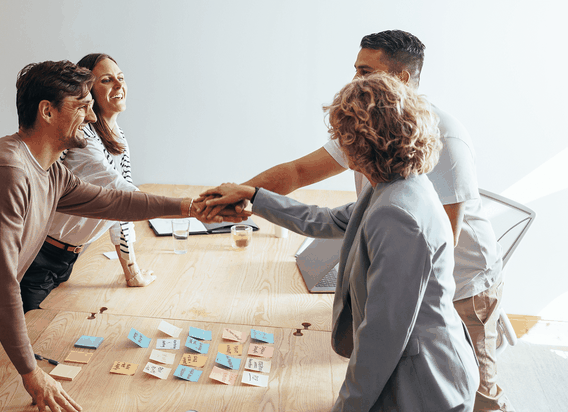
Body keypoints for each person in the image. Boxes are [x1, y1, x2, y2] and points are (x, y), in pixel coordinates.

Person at [0, 60, 221, 412]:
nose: (91, 118)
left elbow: (114, 201)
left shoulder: (50, 170)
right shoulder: (8, 173)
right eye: (82, 107)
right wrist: (31, 373)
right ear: (46, 111)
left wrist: (191, 207)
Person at [207, 29, 509, 412]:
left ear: (368, 138)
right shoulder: (394, 184)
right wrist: (254, 197)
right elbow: (329, 219)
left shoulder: (399, 214)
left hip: (428, 376)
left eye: (344, 134)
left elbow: (382, 339)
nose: (339, 142)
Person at [20, 53, 154, 313]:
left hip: (68, 254)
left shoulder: (118, 138)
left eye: (121, 78)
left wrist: (132, 272)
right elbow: (120, 193)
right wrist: (188, 208)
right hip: (41, 255)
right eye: (107, 80)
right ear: (88, 92)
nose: (118, 85)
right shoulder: (82, 137)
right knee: (32, 335)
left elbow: (120, 212)